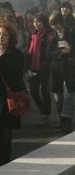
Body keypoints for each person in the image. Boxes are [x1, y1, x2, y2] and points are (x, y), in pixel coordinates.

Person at [47, 11, 75, 133]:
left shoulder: (72, 34)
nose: (54, 27)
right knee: (58, 99)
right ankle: (61, 120)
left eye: (56, 24)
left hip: (69, 70)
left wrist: (71, 49)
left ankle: (67, 122)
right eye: (52, 25)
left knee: (68, 98)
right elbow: (48, 53)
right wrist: (60, 53)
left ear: (60, 22)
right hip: (56, 70)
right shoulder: (52, 36)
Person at [0, 21, 25, 166]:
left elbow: (15, 74)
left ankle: (4, 159)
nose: (1, 37)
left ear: (10, 37)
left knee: (5, 130)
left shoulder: (16, 54)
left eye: (4, 35)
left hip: (7, 97)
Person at [26, 13, 53, 126]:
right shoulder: (32, 35)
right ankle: (43, 108)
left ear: (44, 22)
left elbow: (49, 51)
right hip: (33, 67)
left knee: (45, 90)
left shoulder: (49, 35)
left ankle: (45, 114)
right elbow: (28, 52)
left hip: (45, 67)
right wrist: (27, 66)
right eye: (35, 21)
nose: (36, 23)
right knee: (33, 90)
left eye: (38, 21)